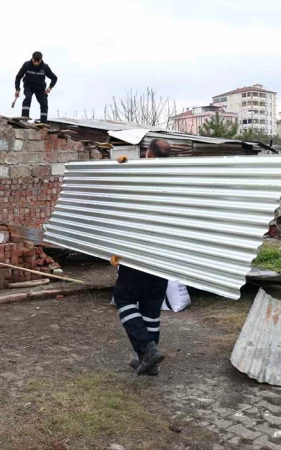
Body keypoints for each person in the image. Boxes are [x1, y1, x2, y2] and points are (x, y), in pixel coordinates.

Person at [113, 138, 171, 376]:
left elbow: (124, 206)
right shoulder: (177, 178)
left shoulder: (142, 176)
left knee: (123, 298)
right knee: (151, 308)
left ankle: (147, 350)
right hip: (165, 255)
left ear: (148, 154)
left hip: (140, 251)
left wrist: (122, 168)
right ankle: (148, 361)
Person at [14, 51, 58, 123]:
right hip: (29, 86)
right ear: (32, 59)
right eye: (35, 61)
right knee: (27, 98)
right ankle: (25, 118)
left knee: (44, 103)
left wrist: (50, 87)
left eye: (38, 61)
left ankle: (43, 122)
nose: (36, 63)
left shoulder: (45, 67)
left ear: (41, 60)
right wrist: (17, 89)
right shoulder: (26, 65)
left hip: (40, 88)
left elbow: (54, 78)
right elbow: (18, 77)